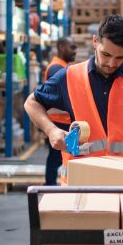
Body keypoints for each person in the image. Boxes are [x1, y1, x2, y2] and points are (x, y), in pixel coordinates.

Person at [24, 14, 123, 184]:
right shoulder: (69, 76)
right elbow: (31, 103)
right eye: (106, 54)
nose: (111, 63)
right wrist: (51, 130)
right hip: (83, 181)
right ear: (95, 41)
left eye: (120, 57)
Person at [42, 36, 78, 185]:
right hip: (59, 122)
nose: (75, 51)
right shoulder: (57, 68)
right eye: (72, 47)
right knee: (57, 158)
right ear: (62, 47)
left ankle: (52, 186)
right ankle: (50, 187)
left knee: (59, 157)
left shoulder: (61, 66)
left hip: (62, 121)